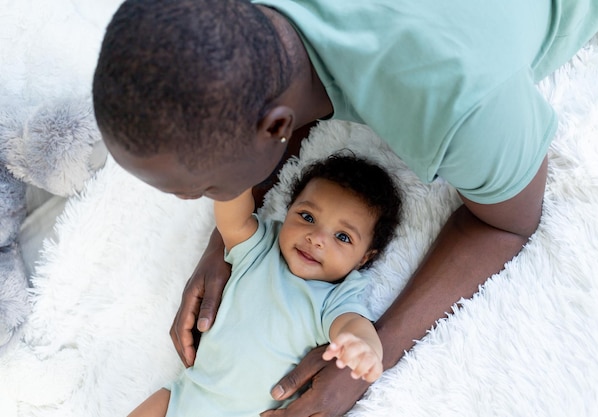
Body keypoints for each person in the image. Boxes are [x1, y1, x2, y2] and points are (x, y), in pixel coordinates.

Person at [92, 0, 598, 415]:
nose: (198, 199)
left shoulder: (461, 104)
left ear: (276, 127)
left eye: (201, 186)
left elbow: (507, 224)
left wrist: (369, 360)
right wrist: (229, 241)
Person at [127, 154, 402, 417]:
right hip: (187, 395)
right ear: (289, 210)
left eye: (342, 237)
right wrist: (233, 178)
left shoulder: (335, 298)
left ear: (364, 258)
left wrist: (363, 348)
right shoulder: (261, 248)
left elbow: (353, 327)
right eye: (307, 217)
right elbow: (232, 220)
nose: (316, 238)